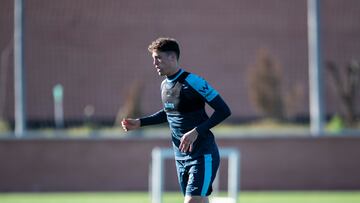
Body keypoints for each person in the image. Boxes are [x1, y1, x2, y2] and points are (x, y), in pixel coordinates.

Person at [121, 37, 231, 203]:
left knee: (192, 201)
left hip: (202, 153)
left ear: (172, 57)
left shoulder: (194, 81)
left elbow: (224, 110)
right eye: (153, 59)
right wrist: (140, 122)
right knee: (200, 201)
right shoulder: (164, 86)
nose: (155, 63)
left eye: (158, 58)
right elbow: (169, 113)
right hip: (180, 157)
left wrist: (196, 131)